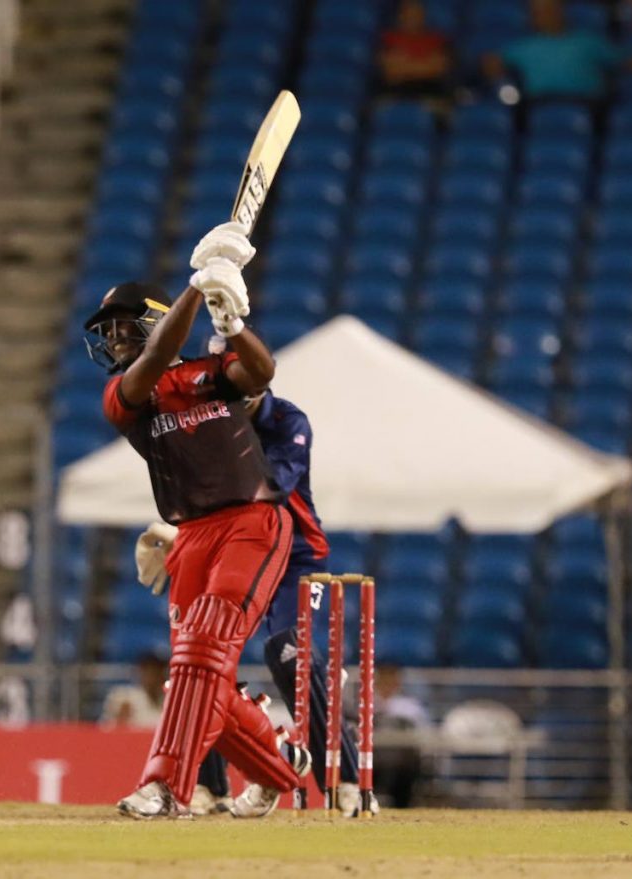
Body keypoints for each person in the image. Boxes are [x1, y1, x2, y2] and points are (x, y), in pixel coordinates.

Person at [83, 221, 311, 819]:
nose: (112, 339)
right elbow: (157, 356)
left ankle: (166, 786)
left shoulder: (205, 377)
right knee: (197, 668)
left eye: (121, 326)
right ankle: (282, 768)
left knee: (203, 648)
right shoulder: (123, 394)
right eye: (105, 331)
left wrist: (232, 324)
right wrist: (199, 285)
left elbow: (261, 373)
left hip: (251, 523)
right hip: (191, 537)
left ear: (152, 321)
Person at [138, 384, 365, 817]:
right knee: (201, 655)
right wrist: (175, 530)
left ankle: (345, 779)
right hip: (235, 549)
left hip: (297, 557)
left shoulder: (287, 421)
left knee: (286, 651)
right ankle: (211, 787)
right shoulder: (207, 419)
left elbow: (268, 487)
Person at [483, 0, 623, 120]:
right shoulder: (524, 46)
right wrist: (500, 79)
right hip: (538, 104)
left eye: (550, 10)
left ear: (562, 11)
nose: (546, 16)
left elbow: (623, 61)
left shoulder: (589, 41)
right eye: (539, 12)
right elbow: (493, 62)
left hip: (589, 104)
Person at [372, 664, 430, 808]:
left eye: (391, 680)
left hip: (402, 764)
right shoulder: (367, 704)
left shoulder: (411, 707)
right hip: (373, 762)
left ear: (398, 682)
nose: (387, 684)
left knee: (407, 771)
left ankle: (403, 807)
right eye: (383, 680)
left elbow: (423, 735)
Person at [377, 0, 453, 108]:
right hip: (394, 95)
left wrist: (404, 67)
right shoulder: (388, 39)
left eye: (416, 13)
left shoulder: (437, 40)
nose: (412, 17)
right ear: (400, 16)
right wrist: (425, 65)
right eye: (408, 13)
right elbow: (391, 72)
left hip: (431, 95)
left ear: (424, 15)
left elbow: (439, 69)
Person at [99, 652, 168, 729]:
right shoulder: (124, 698)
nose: (153, 676)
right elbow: (106, 729)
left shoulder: (169, 700)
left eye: (157, 671)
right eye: (149, 670)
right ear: (141, 672)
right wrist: (120, 720)